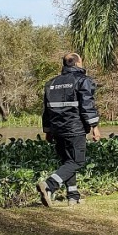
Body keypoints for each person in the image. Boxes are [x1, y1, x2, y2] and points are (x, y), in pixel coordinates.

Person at [38, 52, 101, 207]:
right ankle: (49, 185)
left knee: (68, 161)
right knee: (77, 161)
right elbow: (87, 105)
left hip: (57, 129)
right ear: (77, 63)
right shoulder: (83, 81)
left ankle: (73, 196)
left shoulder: (51, 83)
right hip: (75, 128)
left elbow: (46, 111)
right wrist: (95, 127)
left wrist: (47, 130)